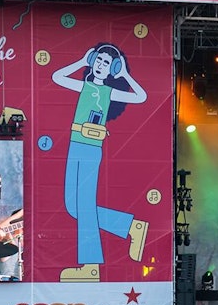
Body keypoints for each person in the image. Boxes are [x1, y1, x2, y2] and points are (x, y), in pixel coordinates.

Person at [52, 44, 150, 282]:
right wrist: (81, 61)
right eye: (99, 60)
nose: (100, 65)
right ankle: (131, 227)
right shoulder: (84, 85)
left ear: (112, 69)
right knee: (72, 206)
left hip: (90, 147)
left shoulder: (108, 92)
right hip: (76, 144)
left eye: (107, 63)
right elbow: (57, 76)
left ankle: (91, 266)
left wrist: (124, 74)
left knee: (83, 205)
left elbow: (142, 96)